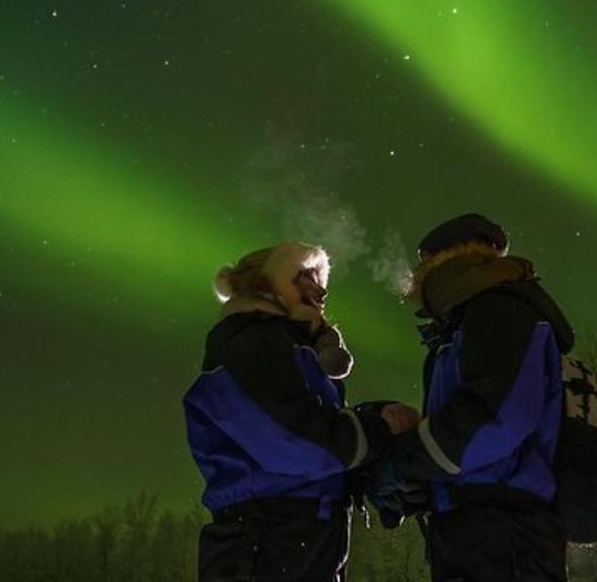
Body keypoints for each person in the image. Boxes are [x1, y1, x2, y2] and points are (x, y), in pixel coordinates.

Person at [184, 241, 418, 581]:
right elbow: (293, 440)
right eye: (306, 276)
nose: (320, 290)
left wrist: (372, 422)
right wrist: (376, 429)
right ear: (271, 283)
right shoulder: (250, 343)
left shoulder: (288, 348)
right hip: (266, 539)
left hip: (299, 536)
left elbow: (304, 428)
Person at [386, 214, 576, 582]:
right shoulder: (465, 326)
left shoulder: (499, 310)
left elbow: (498, 419)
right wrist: (425, 489)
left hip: (505, 534)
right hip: (482, 529)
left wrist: (405, 461)